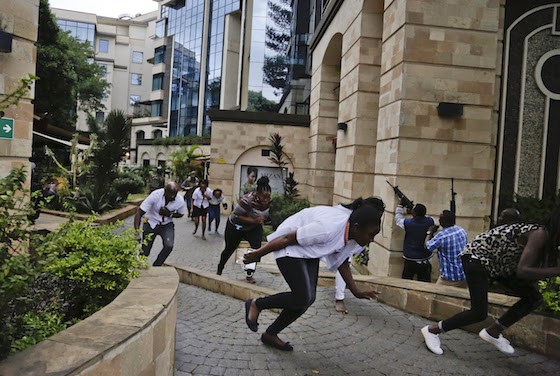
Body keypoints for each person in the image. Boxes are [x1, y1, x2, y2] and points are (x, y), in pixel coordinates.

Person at [242, 198, 383, 351]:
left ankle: (271, 334)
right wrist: (258, 254)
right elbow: (287, 238)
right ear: (356, 227)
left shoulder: (352, 237)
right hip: (288, 246)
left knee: (308, 299)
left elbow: (342, 262)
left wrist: (356, 292)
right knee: (302, 296)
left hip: (308, 251)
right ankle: (256, 304)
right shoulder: (328, 228)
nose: (372, 240)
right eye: (370, 235)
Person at [421, 209, 560, 356]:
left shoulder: (548, 239)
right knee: (479, 312)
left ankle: (493, 331)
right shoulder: (540, 234)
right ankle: (432, 330)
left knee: (533, 298)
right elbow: (523, 270)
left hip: (498, 265)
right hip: (476, 259)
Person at [335, 196, 386, 314]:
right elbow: (342, 262)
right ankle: (339, 298)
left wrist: (356, 292)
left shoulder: (359, 226)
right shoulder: (346, 221)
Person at [217, 176, 272, 283]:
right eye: (263, 197)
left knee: (255, 250)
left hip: (253, 228)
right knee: (229, 249)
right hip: (236, 226)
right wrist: (253, 220)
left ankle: (249, 274)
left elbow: (267, 214)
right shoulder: (247, 200)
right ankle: (219, 269)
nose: (266, 200)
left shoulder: (269, 201)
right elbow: (236, 216)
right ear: (258, 194)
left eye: (268, 197)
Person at [134, 181, 185, 266]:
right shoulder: (155, 195)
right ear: (165, 191)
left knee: (169, 246)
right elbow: (139, 212)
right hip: (151, 222)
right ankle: (139, 267)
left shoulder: (179, 200)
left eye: (174, 194)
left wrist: (170, 214)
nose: (172, 196)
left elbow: (181, 214)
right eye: (170, 194)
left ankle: (157, 265)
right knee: (145, 250)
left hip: (166, 224)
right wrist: (137, 232)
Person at [425, 210, 468, 288]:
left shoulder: (442, 236)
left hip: (449, 278)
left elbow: (428, 247)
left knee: (435, 298)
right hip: (463, 274)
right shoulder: (461, 230)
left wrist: (430, 232)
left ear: (443, 222)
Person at [395, 202, 435, 281]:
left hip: (410, 260)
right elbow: (427, 217)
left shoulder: (408, 223)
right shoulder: (430, 221)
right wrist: (415, 213)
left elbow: (398, 219)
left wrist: (400, 206)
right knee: (424, 285)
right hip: (425, 259)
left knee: (406, 283)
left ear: (414, 213)